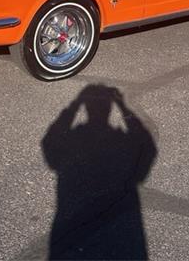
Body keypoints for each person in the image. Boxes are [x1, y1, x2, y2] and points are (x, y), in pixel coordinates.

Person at [42, 85, 157, 260]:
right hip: (120, 220)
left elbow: (49, 144)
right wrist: (123, 106)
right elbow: (147, 147)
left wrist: (74, 106)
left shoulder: (77, 139)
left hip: (72, 215)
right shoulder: (120, 140)